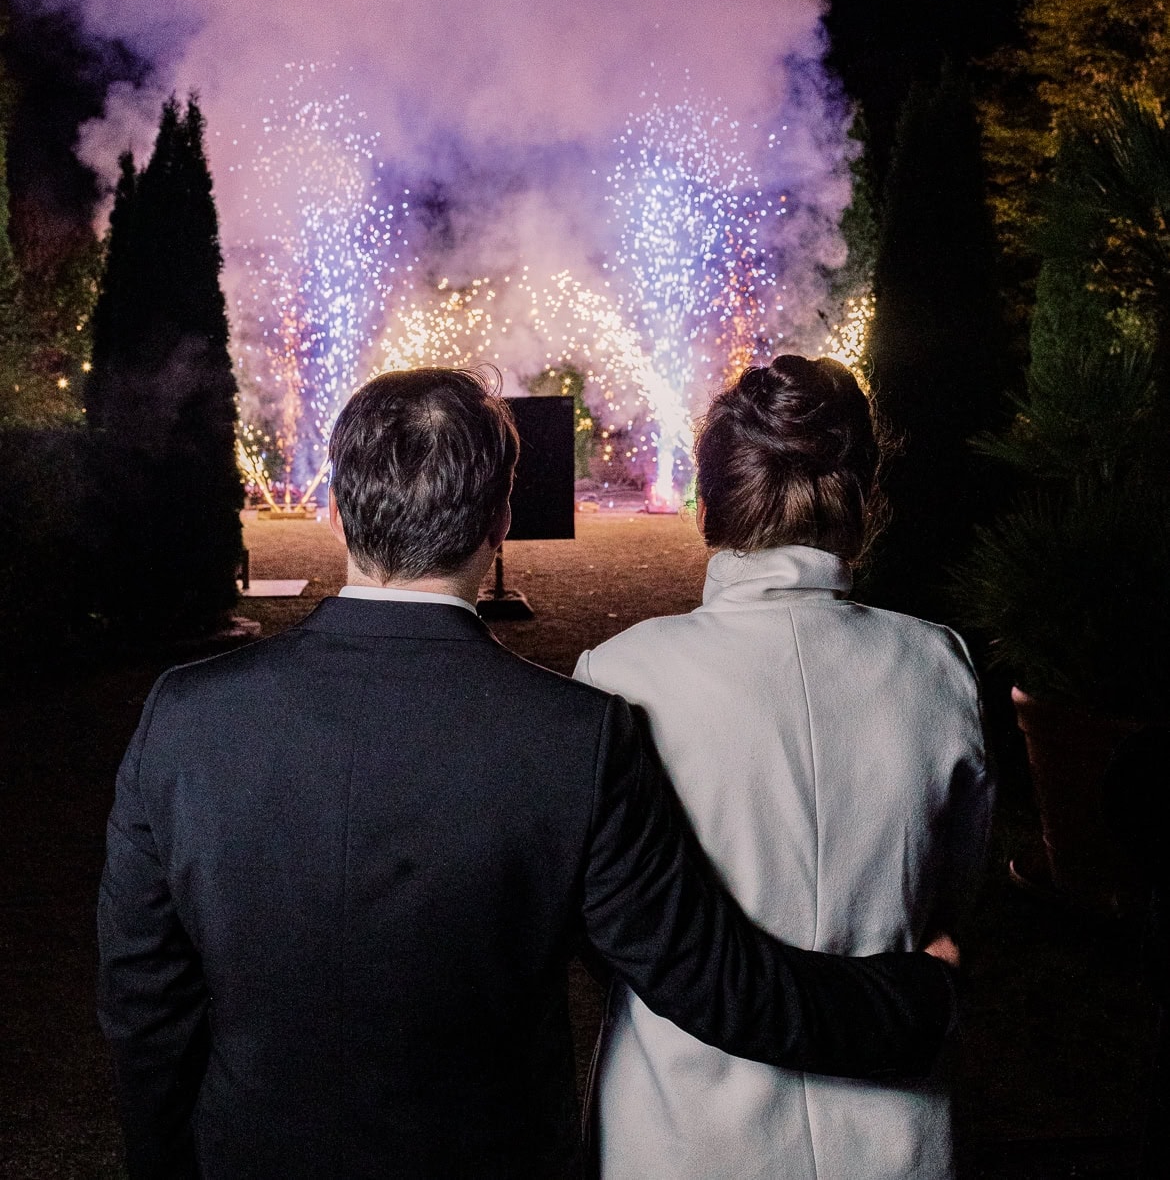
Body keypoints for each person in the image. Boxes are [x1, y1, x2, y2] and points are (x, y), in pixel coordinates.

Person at [98, 367, 959, 1180]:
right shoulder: (574, 735)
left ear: (336, 512)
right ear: (498, 522)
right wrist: (919, 992)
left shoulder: (186, 717)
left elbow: (145, 1005)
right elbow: (708, 977)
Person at [576, 354, 993, 1180]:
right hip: (893, 1130)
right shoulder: (938, 664)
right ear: (862, 499)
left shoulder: (622, 673)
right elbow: (953, 900)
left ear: (715, 501)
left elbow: (610, 935)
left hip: (682, 1132)